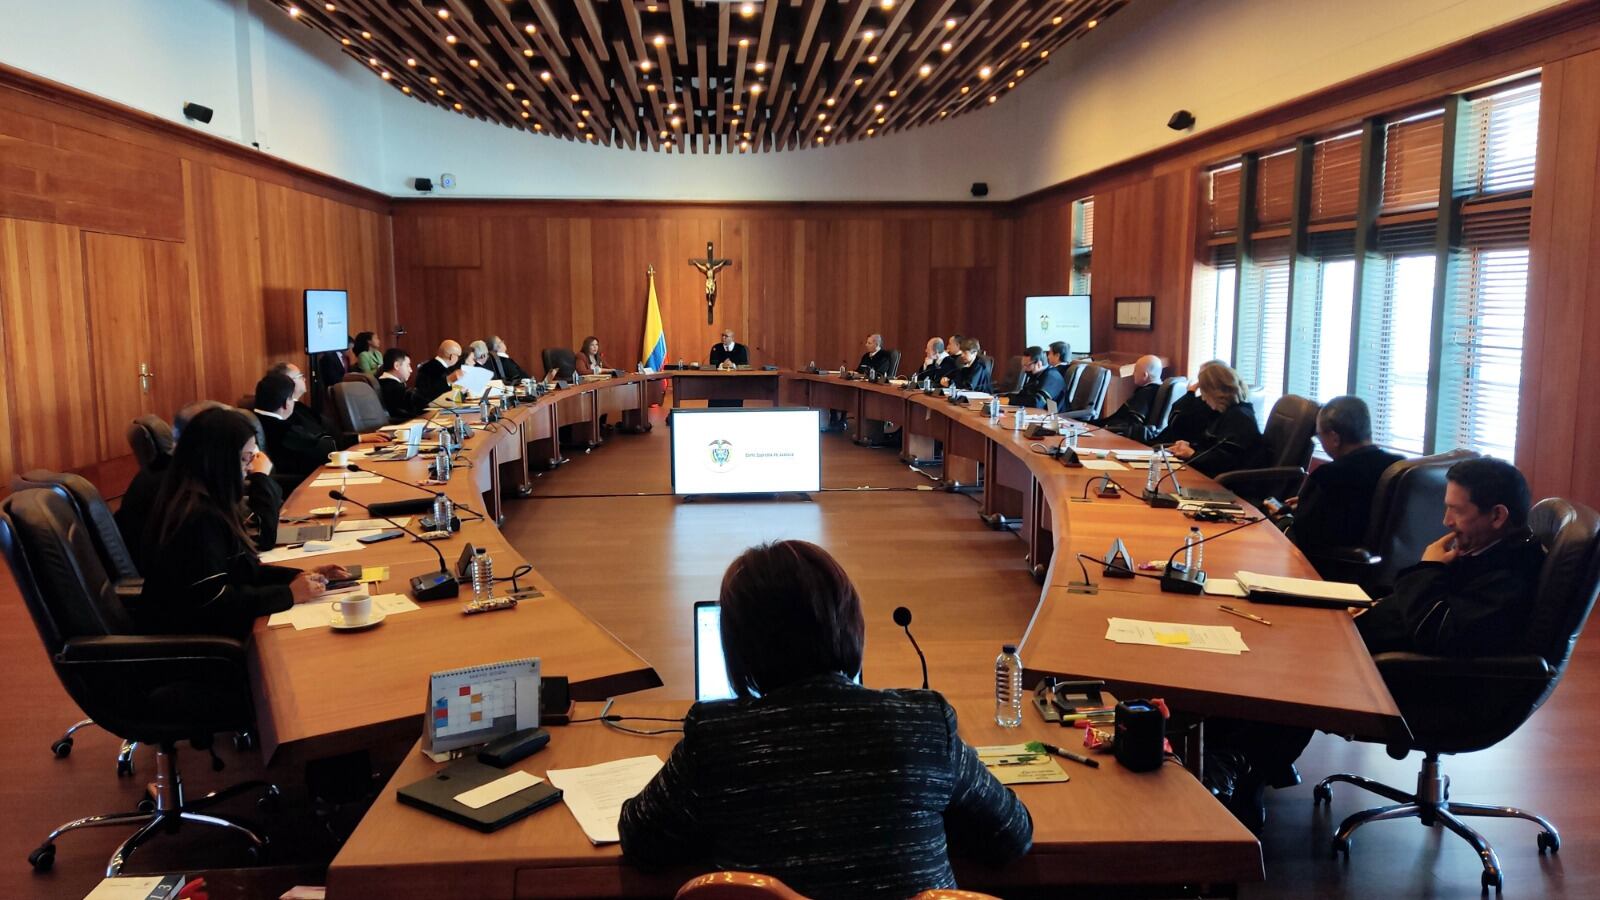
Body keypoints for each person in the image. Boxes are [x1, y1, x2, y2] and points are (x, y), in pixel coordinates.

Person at [619, 540, 1032, 896]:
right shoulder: (923, 723)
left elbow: (641, 841)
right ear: (850, 625)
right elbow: (1012, 834)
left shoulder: (717, 738)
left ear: (737, 645)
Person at [1206, 458, 1547, 831]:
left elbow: (1439, 631)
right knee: (1271, 642)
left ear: (1497, 515)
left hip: (1422, 681)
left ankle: (1237, 772)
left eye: (1456, 510)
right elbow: (1425, 608)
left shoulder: (1511, 574)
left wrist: (1429, 568)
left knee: (1292, 665)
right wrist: (1370, 608)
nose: (1446, 521)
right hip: (1380, 653)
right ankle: (1235, 760)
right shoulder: (1487, 550)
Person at [134, 408, 344, 639]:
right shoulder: (197, 517)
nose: (250, 466)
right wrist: (288, 594)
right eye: (245, 458)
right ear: (219, 460)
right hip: (197, 649)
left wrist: (297, 576)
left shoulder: (204, 501)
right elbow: (213, 601)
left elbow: (241, 572)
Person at [118, 402, 285, 562]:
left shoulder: (180, 473)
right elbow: (260, 537)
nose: (250, 464)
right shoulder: (188, 499)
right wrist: (261, 477)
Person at [1284, 396, 1404, 558]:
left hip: (1330, 565)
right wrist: (1311, 501)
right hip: (1385, 568)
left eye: (1320, 436)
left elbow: (1304, 533)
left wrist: (1299, 510)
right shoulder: (1398, 466)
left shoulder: (1328, 476)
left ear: (1335, 438)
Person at [1166, 364, 1265, 476]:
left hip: (1229, 485)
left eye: (1203, 392)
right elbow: (1212, 447)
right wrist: (1190, 447)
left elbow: (1225, 462)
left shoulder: (1240, 418)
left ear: (1215, 392)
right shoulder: (1225, 413)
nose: (1203, 398)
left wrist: (1192, 454)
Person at [253, 372, 335, 489]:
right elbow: (324, 451)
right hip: (298, 487)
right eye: (292, 399)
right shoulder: (281, 429)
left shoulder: (255, 419)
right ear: (286, 403)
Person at [1148, 360, 1224, 447]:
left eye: (1200, 378)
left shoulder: (1210, 405)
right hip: (1165, 443)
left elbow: (1175, 421)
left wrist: (1190, 392)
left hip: (1174, 446)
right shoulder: (1203, 401)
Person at [1095, 354, 1164, 439]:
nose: (1133, 374)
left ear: (1144, 375)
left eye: (1135, 371)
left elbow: (1131, 423)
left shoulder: (1145, 393)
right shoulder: (1158, 390)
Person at [377, 348, 430, 421]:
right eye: (408, 365)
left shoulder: (381, 383)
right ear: (396, 366)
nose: (411, 370)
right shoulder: (396, 388)